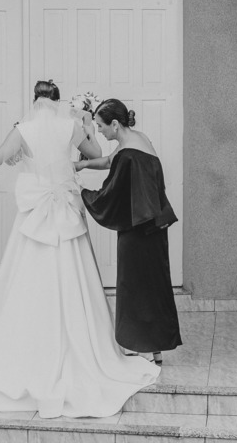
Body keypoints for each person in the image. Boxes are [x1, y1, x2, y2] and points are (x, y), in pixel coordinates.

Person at [0, 80, 159, 418]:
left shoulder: (23, 128)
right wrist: (85, 127)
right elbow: (95, 153)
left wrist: (16, 148)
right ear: (58, 101)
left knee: (25, 279)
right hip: (65, 209)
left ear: (34, 100)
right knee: (74, 276)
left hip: (35, 214)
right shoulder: (69, 127)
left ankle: (25, 346)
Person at [77, 98, 182, 364]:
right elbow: (108, 161)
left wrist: (82, 193)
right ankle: (155, 348)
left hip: (137, 229)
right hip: (154, 226)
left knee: (134, 285)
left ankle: (139, 347)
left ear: (114, 124)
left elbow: (109, 194)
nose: (99, 131)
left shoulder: (127, 156)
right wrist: (83, 165)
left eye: (101, 126)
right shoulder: (139, 140)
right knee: (154, 284)